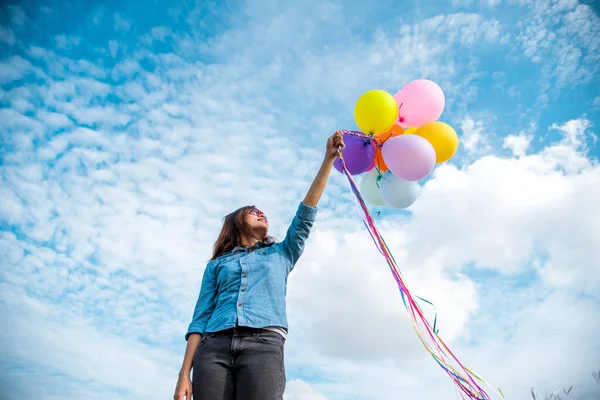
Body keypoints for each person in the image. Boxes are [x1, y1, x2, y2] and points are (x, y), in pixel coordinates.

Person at [174, 131, 346, 400]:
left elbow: (306, 213)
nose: (260, 212)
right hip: (213, 348)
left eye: (262, 211)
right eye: (252, 211)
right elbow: (199, 319)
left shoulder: (282, 252)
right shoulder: (217, 265)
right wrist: (184, 373)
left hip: (264, 345)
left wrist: (328, 160)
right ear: (235, 222)